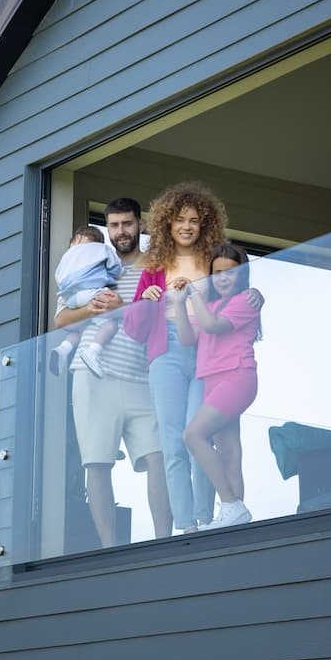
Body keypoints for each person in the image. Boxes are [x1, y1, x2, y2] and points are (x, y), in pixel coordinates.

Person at [54, 198, 172, 548]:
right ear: (108, 228)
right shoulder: (91, 262)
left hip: (141, 376)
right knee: (97, 463)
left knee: (159, 458)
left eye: (128, 224)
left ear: (140, 224)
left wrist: (122, 308)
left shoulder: (155, 268)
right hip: (93, 377)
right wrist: (93, 307)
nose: (122, 232)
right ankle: (109, 548)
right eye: (115, 225)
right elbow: (61, 319)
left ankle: (164, 543)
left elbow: (164, 314)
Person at [124, 183, 227, 535]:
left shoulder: (215, 261)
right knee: (172, 440)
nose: (187, 226)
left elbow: (234, 299)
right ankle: (187, 526)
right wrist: (147, 300)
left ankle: (207, 517)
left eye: (194, 220)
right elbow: (133, 328)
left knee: (199, 434)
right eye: (180, 220)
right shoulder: (154, 266)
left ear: (204, 224)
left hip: (207, 350)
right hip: (165, 351)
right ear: (167, 224)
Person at [177, 243, 262, 529]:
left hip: (236, 377)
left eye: (230, 272)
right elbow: (188, 338)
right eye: (217, 273)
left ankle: (230, 504)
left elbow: (213, 326)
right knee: (229, 452)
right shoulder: (210, 306)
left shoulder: (245, 302)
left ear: (241, 275)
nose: (223, 278)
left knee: (193, 435)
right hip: (213, 381)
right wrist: (179, 302)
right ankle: (234, 521)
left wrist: (193, 293)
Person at [49, 226, 123, 375]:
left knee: (78, 329)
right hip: (89, 292)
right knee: (110, 323)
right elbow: (115, 268)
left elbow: (60, 320)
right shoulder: (101, 249)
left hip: (68, 296)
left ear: (74, 241)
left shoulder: (66, 257)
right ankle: (93, 351)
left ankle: (63, 349)